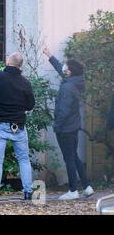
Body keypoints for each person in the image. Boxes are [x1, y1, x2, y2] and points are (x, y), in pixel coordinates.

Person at [0, 53, 35, 203]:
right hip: (19, 127)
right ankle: (28, 192)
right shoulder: (25, 82)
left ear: (8, 62)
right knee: (24, 160)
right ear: (20, 65)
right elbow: (30, 105)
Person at [43, 47, 94, 200]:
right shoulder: (75, 81)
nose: (64, 66)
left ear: (70, 71)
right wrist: (50, 56)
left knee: (69, 158)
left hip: (65, 128)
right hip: (73, 126)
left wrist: (57, 126)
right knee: (74, 157)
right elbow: (61, 70)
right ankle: (86, 187)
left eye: (66, 65)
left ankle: (73, 190)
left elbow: (63, 111)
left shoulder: (67, 87)